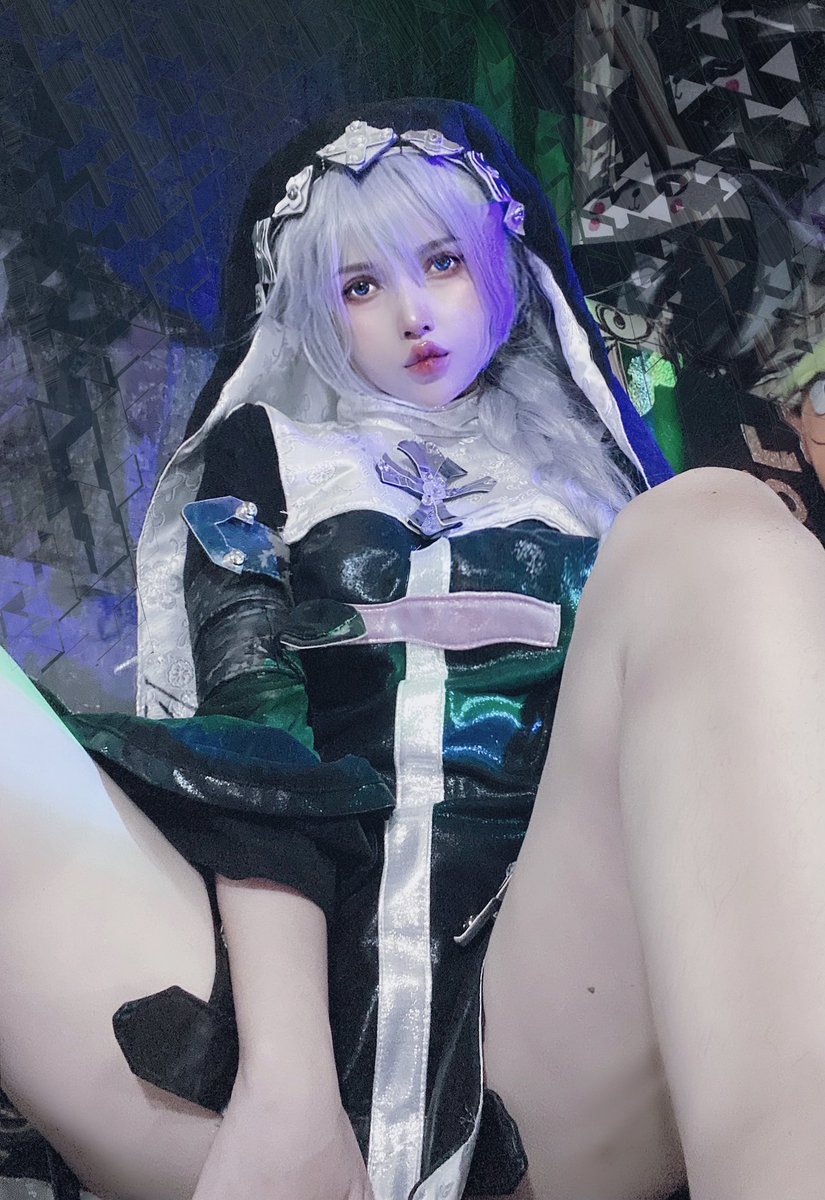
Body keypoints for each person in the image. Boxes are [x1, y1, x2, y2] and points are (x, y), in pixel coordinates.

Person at [2, 98, 825, 1200]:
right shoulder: (268, 455)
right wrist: (287, 1085)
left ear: (503, 262)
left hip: (545, 1031)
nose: (412, 314)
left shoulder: (612, 506)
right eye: (359, 285)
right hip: (246, 1018)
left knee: (716, 523)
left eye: (441, 261)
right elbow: (255, 742)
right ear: (312, 307)